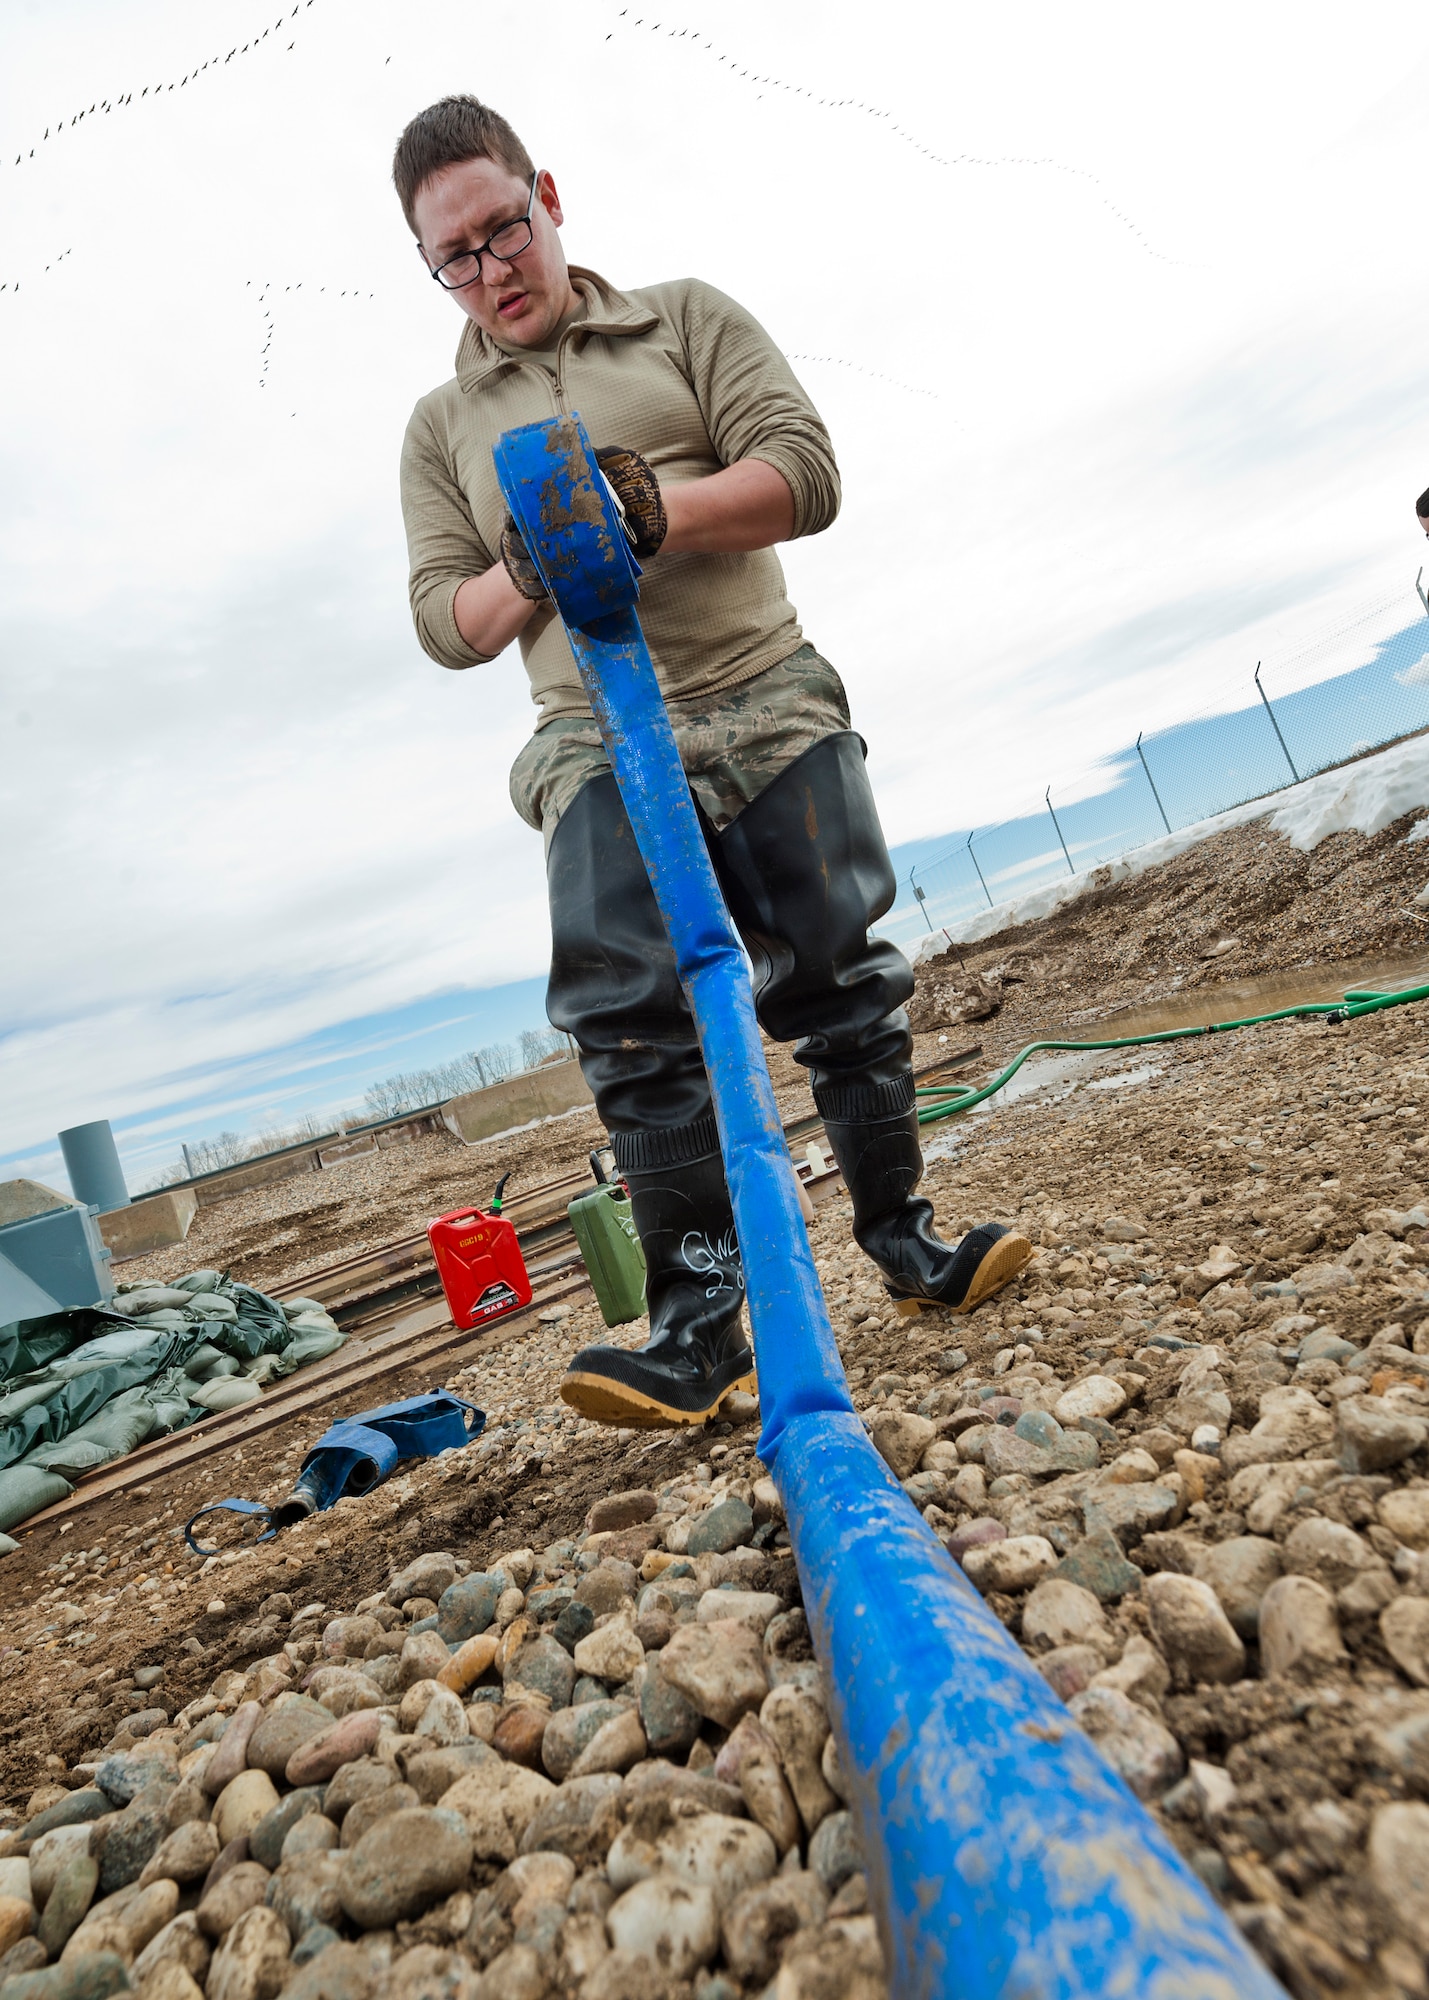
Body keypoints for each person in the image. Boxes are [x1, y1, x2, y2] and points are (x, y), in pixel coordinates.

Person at [395, 95, 1031, 1428]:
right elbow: (441, 622)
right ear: (431, 265)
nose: (488, 269)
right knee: (628, 1018)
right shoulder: (439, 429)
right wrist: (523, 568)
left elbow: (803, 472)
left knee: (838, 977)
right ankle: (697, 1332)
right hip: (590, 736)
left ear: (547, 194)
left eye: (503, 228)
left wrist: (644, 508)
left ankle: (906, 1245)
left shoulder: (685, 318)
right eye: (452, 255)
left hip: (761, 694)